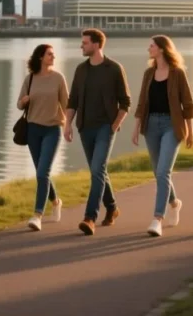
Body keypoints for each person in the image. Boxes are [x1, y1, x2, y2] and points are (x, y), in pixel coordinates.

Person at [65, 29, 131, 236]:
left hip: (105, 127)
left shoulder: (114, 69)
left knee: (96, 170)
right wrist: (68, 124)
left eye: (85, 43)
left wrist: (115, 124)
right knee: (98, 170)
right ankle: (112, 208)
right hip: (85, 127)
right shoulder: (81, 70)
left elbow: (125, 101)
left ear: (96, 45)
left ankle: (89, 218)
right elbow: (73, 100)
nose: (81, 46)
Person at [132, 36, 193, 238]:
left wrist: (191, 131)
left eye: (151, 45)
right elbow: (142, 102)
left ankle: (157, 219)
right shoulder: (149, 73)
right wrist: (136, 128)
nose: (148, 48)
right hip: (151, 125)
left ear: (161, 49)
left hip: (172, 125)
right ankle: (175, 203)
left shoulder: (178, 73)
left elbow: (188, 103)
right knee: (159, 172)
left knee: (162, 172)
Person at [17, 44, 69, 232]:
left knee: (42, 173)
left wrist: (69, 127)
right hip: (32, 129)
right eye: (50, 54)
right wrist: (23, 102)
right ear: (40, 57)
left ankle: (37, 215)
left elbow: (67, 105)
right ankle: (55, 201)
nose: (53, 57)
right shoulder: (30, 78)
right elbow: (19, 103)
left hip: (53, 129)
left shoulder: (58, 78)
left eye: (53, 54)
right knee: (42, 172)